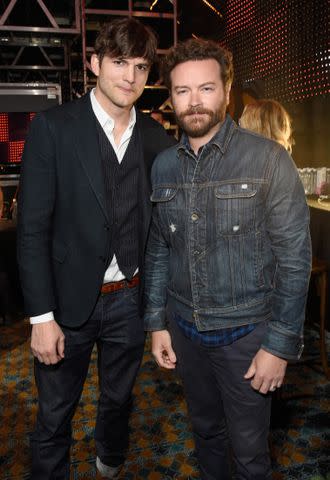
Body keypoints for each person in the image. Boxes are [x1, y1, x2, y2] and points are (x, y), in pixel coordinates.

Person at [144, 38, 311, 480]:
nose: (194, 102)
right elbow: (160, 247)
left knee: (251, 454)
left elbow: (295, 260)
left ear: (226, 90)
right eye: (182, 91)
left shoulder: (269, 160)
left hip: (246, 339)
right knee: (206, 437)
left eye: (206, 88)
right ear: (171, 97)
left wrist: (278, 345)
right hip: (185, 333)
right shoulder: (163, 167)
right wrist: (157, 322)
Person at [17, 17, 175, 480]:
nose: (130, 76)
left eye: (141, 67)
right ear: (94, 63)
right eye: (119, 62)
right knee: (55, 416)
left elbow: (162, 228)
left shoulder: (154, 138)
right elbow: (32, 230)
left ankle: (110, 462)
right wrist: (41, 318)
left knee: (119, 401)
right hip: (66, 304)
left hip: (129, 298)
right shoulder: (53, 128)